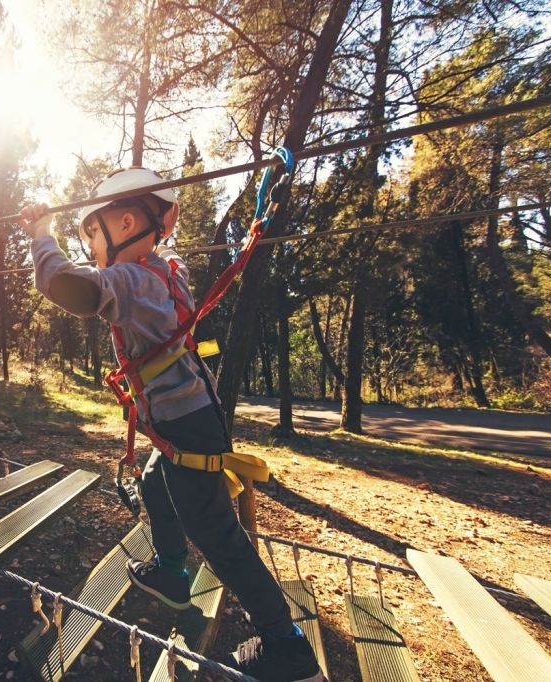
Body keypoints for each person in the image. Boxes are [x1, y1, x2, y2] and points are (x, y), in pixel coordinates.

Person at [19, 167, 324, 682]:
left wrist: (41, 235)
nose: (91, 247)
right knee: (156, 480)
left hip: (187, 422)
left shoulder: (132, 279)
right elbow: (162, 265)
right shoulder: (166, 271)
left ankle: (286, 646)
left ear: (128, 220)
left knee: (220, 537)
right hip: (187, 420)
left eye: (94, 232)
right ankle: (170, 572)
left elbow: (66, 287)